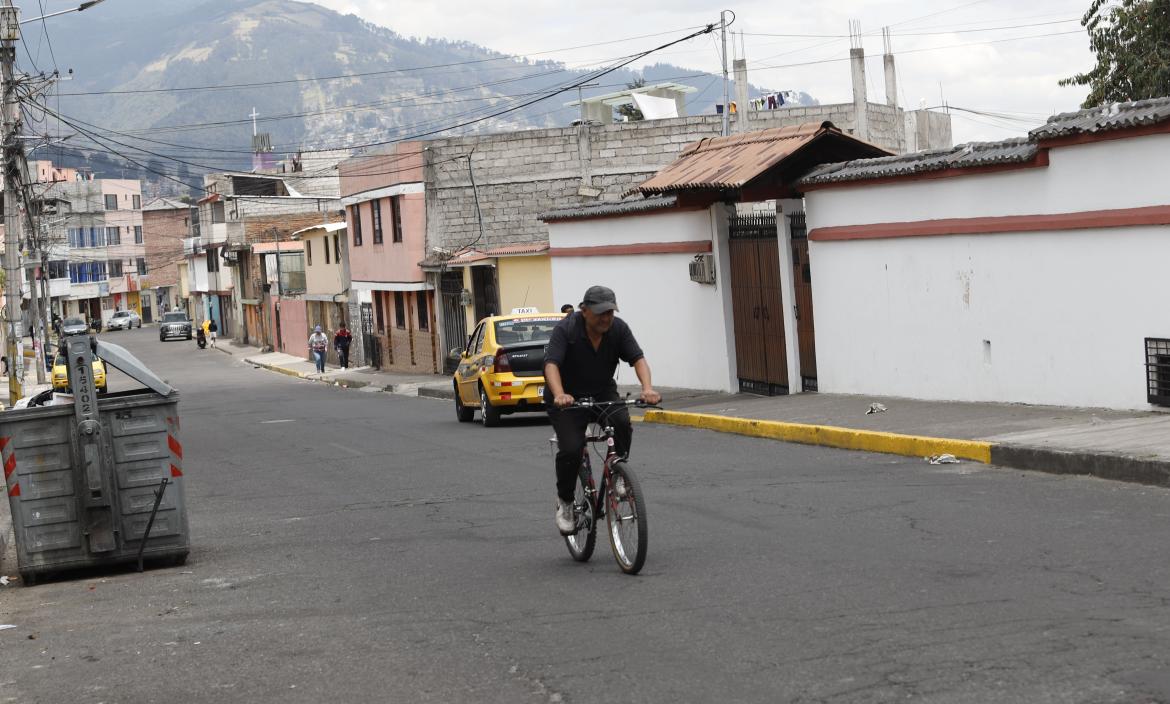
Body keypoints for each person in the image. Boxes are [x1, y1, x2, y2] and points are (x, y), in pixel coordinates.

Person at [543, 285, 661, 535]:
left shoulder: (618, 329)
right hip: (567, 397)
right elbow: (551, 364)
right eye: (600, 313)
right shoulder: (566, 330)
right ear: (584, 311)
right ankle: (565, 501)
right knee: (572, 448)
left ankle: (618, 472)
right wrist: (560, 394)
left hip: (601, 392)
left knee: (621, 421)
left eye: (610, 312)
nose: (606, 318)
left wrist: (648, 388)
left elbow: (638, 359)